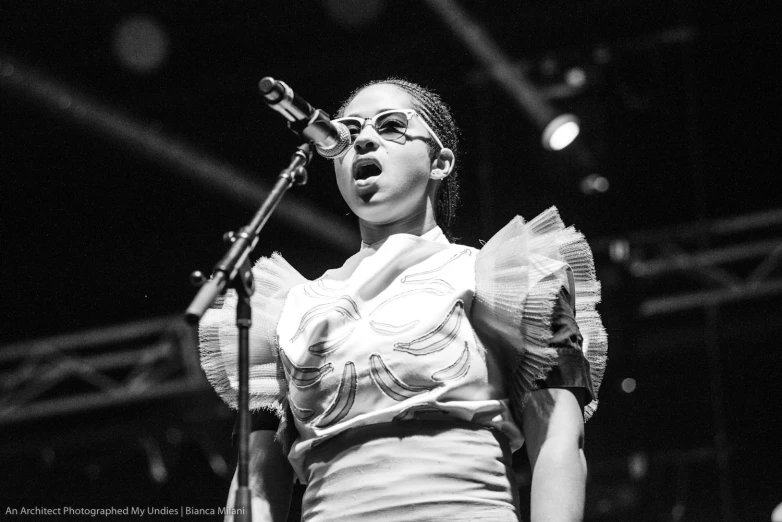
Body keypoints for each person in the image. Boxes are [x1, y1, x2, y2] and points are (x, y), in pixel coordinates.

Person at [199, 78, 606, 522]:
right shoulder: (285, 308)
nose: (365, 139)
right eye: (348, 132)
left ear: (440, 162)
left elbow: (559, 443)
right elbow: (256, 485)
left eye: (392, 126)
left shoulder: (506, 276)